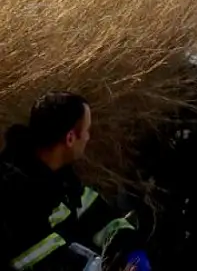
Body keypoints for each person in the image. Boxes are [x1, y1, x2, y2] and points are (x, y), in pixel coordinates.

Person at [0, 92, 147, 271]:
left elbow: (100, 217)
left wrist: (131, 250)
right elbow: (43, 262)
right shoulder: (13, 193)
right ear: (70, 138)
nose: (88, 137)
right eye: (86, 131)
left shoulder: (61, 178)